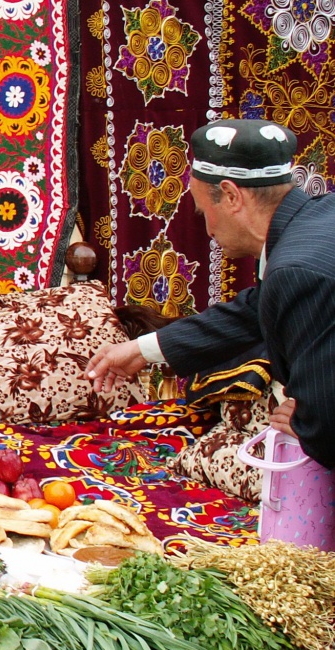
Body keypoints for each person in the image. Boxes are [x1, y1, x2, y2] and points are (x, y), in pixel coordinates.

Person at [85, 118, 335, 469]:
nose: (207, 228)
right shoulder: (317, 221)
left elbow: (325, 425)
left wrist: (311, 426)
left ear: (231, 196)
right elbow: (255, 311)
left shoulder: (295, 270)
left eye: (204, 211)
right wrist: (142, 350)